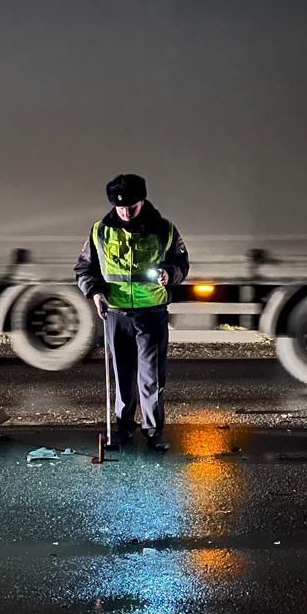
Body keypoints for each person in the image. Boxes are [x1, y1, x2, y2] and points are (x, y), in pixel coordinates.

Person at [75, 174, 189, 451]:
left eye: (132, 207)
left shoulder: (164, 229)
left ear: (143, 200)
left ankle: (153, 430)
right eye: (120, 207)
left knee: (151, 377)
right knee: (122, 375)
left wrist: (169, 274)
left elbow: (182, 264)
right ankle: (123, 429)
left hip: (151, 313)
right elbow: (84, 268)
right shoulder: (100, 230)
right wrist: (95, 292)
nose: (126, 212)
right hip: (115, 313)